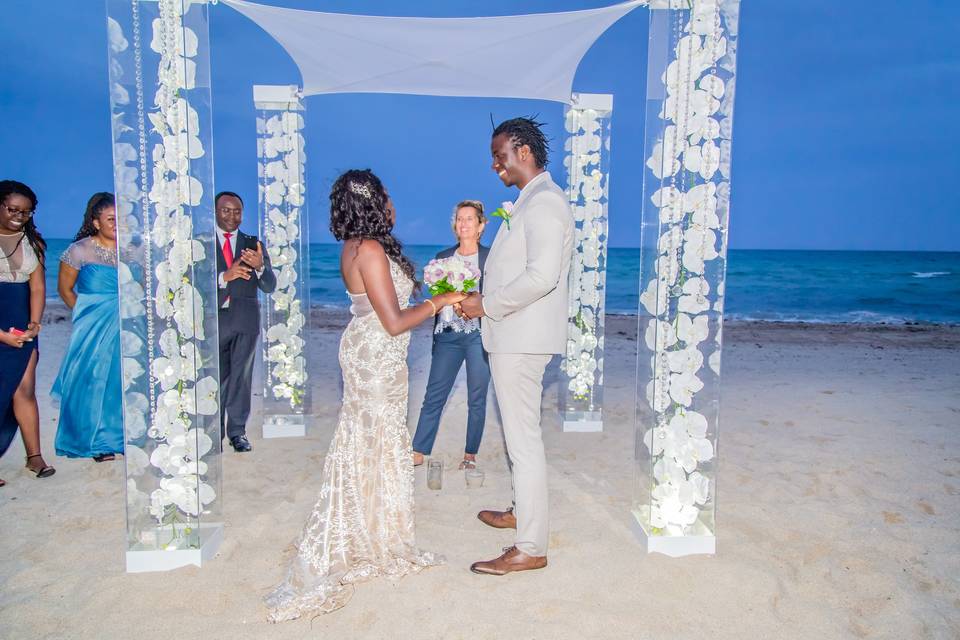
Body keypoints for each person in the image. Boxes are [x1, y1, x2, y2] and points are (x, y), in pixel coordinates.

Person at [264, 169, 465, 621]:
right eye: (388, 196)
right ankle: (371, 535)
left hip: (372, 352)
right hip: (376, 356)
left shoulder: (353, 247)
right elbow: (394, 321)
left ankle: (369, 527)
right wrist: (442, 300)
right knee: (374, 437)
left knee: (368, 439)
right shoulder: (369, 249)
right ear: (375, 203)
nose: (394, 204)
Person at [458, 118, 574, 575]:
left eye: (499, 155)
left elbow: (542, 277)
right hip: (515, 335)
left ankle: (530, 546)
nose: (494, 165)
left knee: (523, 442)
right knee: (518, 436)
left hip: (521, 339)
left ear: (523, 151)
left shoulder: (544, 203)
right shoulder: (530, 201)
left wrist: (487, 304)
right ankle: (521, 512)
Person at [412, 200, 491, 470]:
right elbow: (436, 296)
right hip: (447, 334)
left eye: (470, 219)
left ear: (481, 226)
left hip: (478, 335)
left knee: (477, 396)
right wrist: (455, 300)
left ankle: (470, 455)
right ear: (455, 225)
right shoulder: (443, 257)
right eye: (460, 219)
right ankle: (419, 449)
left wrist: (467, 301)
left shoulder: (491, 258)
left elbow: (494, 296)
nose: (464, 223)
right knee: (435, 393)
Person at [52, 192, 123, 462]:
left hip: (126, 325)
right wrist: (85, 316)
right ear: (96, 222)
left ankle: (117, 436)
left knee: (119, 381)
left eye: (121, 219)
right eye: (111, 219)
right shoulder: (79, 250)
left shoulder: (133, 249)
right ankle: (95, 442)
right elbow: (65, 290)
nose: (117, 224)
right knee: (90, 380)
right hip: (92, 327)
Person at [0, 180, 55, 486]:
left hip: (21, 322)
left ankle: (34, 456)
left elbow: (37, 286)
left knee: (25, 388)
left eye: (26, 211)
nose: (19, 216)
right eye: (12, 209)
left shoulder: (33, 242)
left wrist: (34, 323)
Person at [214, 191, 276, 453]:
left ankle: (237, 432)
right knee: (215, 378)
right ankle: (212, 431)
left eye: (237, 211)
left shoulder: (253, 244)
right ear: (215, 212)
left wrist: (261, 267)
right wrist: (223, 277)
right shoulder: (200, 243)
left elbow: (270, 286)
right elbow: (188, 283)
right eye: (226, 210)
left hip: (246, 319)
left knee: (241, 378)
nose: (232, 216)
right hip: (214, 319)